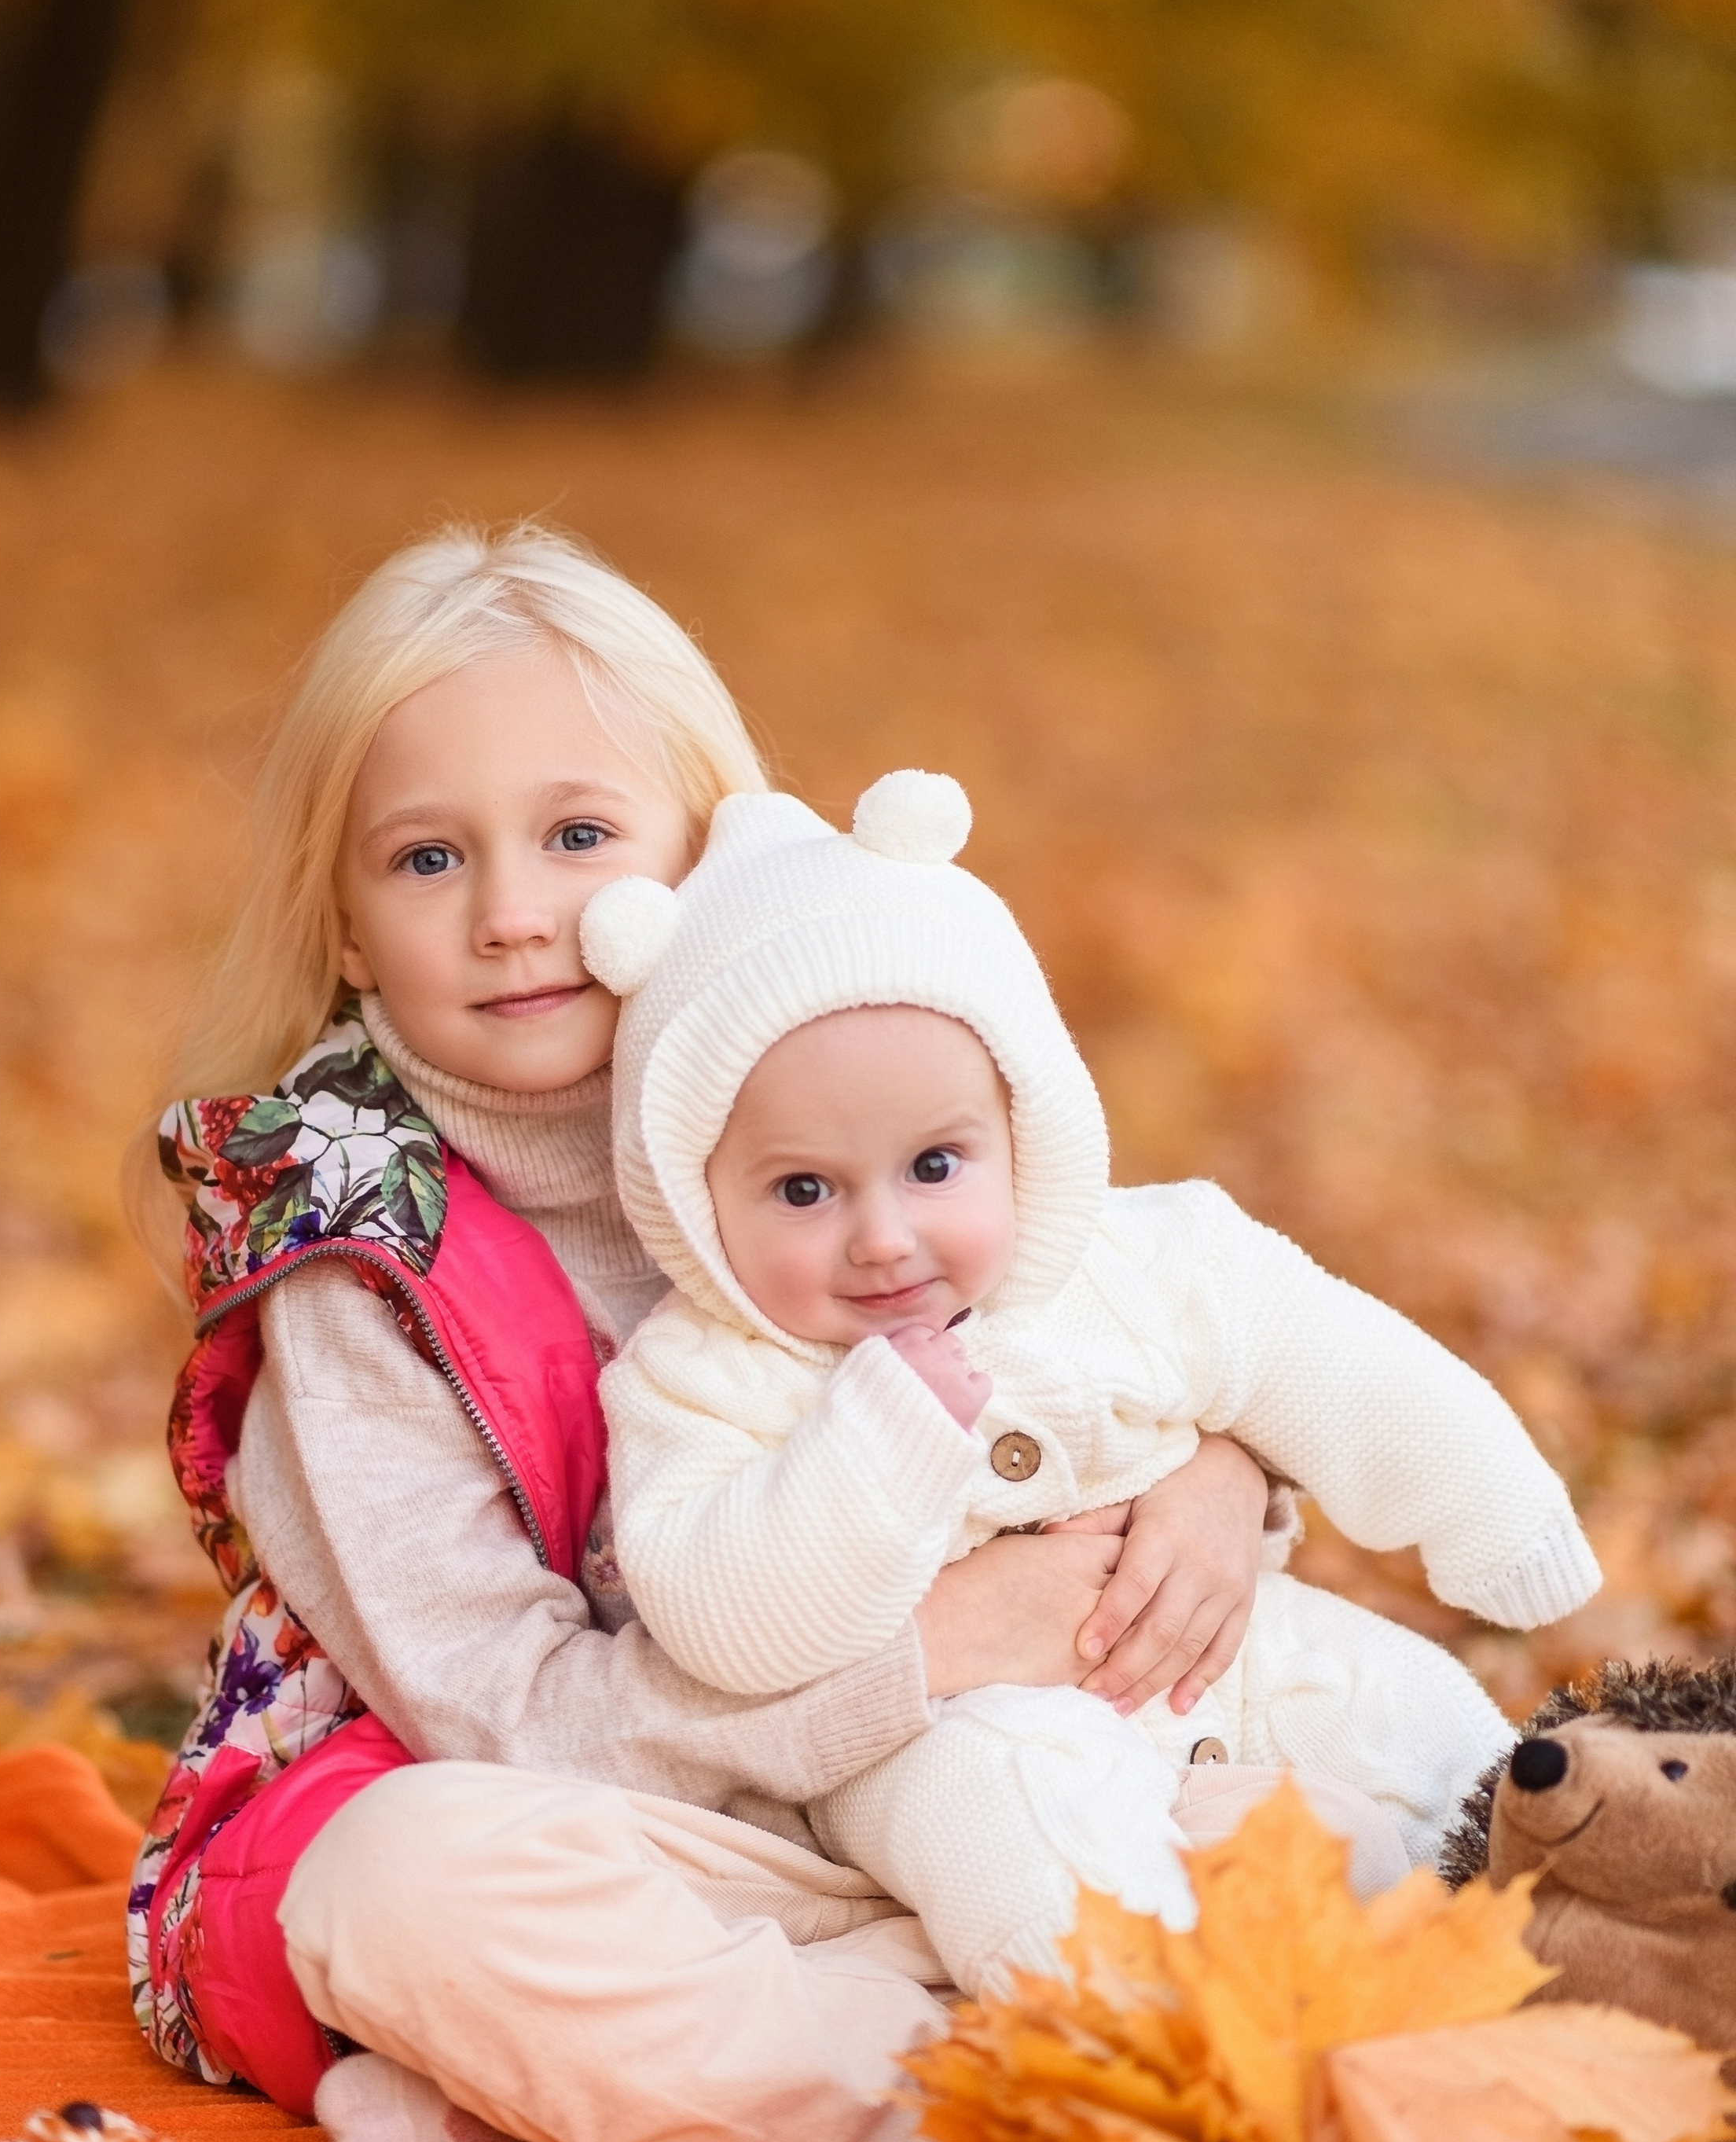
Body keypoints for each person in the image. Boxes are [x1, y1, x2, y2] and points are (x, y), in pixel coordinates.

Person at [129, 527, 1280, 2142]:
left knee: (1291, 1810)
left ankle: (702, 2065)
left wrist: (1215, 1477)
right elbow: (509, 1724)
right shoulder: (354, 1253)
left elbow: (1112, 1318)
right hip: (574, 1808)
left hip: (904, 1794)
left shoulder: (833, 1066)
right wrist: (919, 1664)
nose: (516, 915)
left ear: (703, 858)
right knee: (406, 1895)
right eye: (428, 861)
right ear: (349, 924)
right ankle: (1032, 2088)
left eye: (579, 837)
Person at [589, 772, 1602, 1997]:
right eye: (805, 1189)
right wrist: (872, 1444)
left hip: (1217, 1659)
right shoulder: (703, 1376)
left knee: (1404, 1711)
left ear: (1022, 1127)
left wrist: (1497, 1513)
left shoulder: (1132, 1259)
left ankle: (1579, 1948)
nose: (883, 1236)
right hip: (945, 1726)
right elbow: (721, 1610)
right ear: (700, 1204)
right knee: (1012, 1823)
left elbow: (1325, 1351)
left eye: (933, 1164)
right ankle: (1159, 2047)